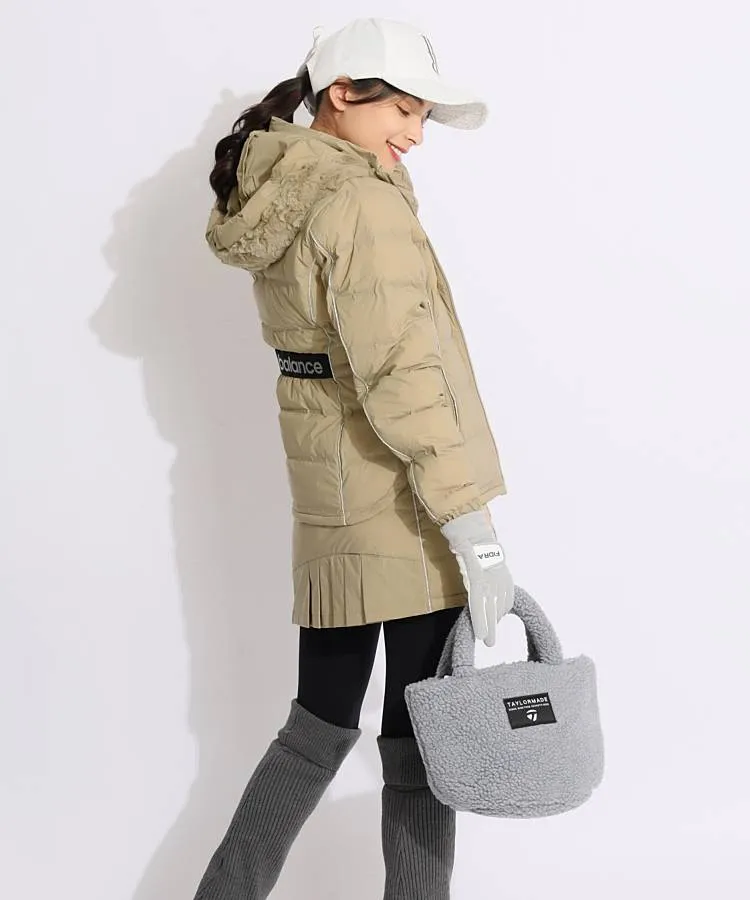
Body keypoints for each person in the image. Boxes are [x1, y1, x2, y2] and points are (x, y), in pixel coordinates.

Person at [193, 17, 515, 900]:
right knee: (418, 744)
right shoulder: (361, 201)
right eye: (404, 110)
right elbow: (401, 375)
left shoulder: (294, 184)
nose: (416, 135)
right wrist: (470, 522)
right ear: (342, 93)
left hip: (334, 493)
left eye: (423, 118)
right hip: (405, 500)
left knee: (318, 727)